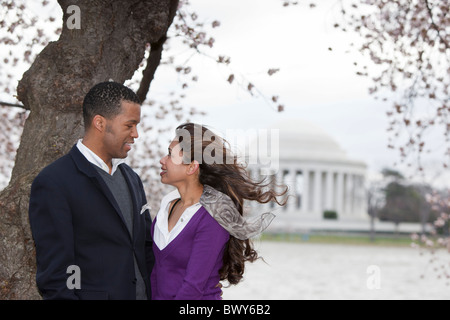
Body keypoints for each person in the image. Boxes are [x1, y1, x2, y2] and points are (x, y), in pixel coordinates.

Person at [29, 81, 154, 300]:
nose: (136, 134)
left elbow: (145, 248)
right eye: (129, 125)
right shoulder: (54, 182)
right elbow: (56, 275)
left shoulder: (132, 179)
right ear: (99, 123)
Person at [151, 123, 287, 300]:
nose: (162, 160)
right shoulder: (167, 206)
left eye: (170, 154)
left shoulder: (211, 217)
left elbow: (193, 287)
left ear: (192, 167)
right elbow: (156, 272)